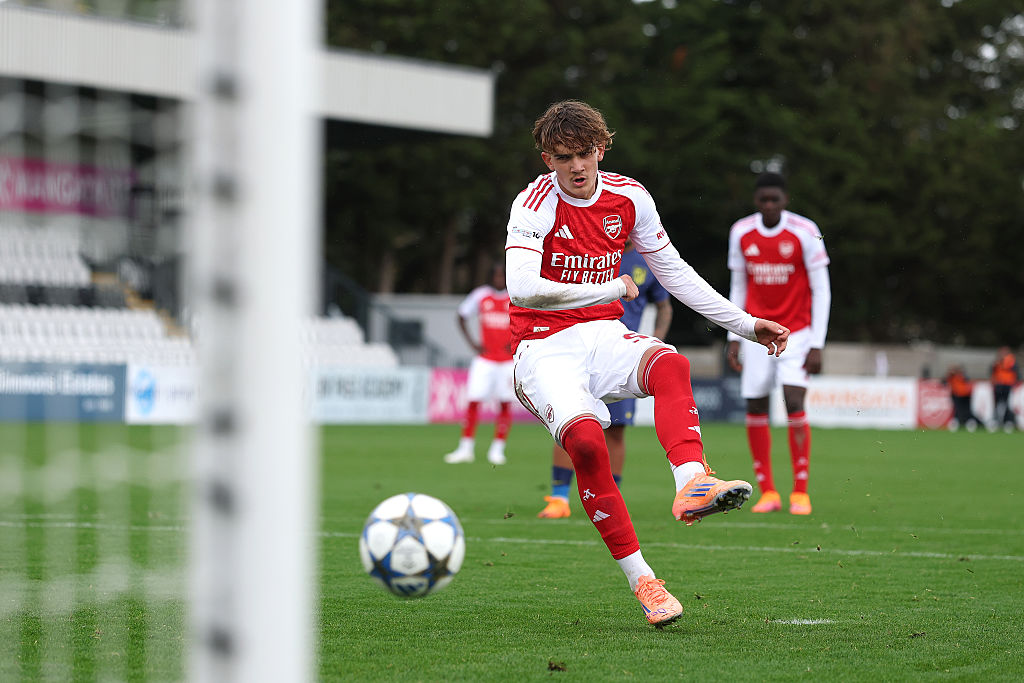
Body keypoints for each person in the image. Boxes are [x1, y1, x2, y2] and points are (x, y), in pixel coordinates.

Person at [506, 100, 790, 626]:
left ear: (602, 147)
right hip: (543, 347)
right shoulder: (534, 203)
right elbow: (521, 287)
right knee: (588, 444)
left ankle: (691, 482)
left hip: (603, 335)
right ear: (548, 158)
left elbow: (675, 273)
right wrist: (604, 285)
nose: (577, 167)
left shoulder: (630, 197)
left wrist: (746, 325)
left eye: (586, 153)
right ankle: (645, 582)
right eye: (564, 156)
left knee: (672, 366)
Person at [538, 239, 673, 518]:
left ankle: (611, 498)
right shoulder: (588, 251)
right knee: (570, 424)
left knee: (616, 429)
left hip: (620, 359)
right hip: (578, 351)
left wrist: (656, 339)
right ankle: (559, 498)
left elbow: (664, 305)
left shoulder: (645, 262)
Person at [725, 172, 831, 517]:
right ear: (756, 201)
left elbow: (822, 289)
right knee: (755, 405)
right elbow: (738, 285)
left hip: (797, 332)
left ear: (785, 200)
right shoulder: (741, 232)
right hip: (757, 332)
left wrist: (817, 342)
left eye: (775, 199)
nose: (769, 205)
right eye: (763, 200)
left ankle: (800, 491)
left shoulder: (805, 231)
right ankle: (768, 491)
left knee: (794, 399)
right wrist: (734, 335)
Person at [443, 263, 515, 465]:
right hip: (484, 360)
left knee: (504, 403)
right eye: (496, 275)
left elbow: (530, 320)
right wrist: (473, 343)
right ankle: (465, 448)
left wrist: (516, 343)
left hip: (507, 362)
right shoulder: (481, 295)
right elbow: (461, 315)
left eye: (503, 276)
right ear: (491, 277)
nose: (499, 279)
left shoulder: (515, 296)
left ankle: (498, 449)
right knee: (474, 401)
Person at [989, 346, 1021, 433]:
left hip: (1007, 385)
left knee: (1007, 404)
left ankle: (1007, 422)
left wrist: (1015, 383)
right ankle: (995, 422)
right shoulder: (997, 362)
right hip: (999, 385)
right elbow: (992, 371)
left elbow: (1016, 372)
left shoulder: (1011, 361)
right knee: (997, 404)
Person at [944, 364, 982, 432]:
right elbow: (944, 382)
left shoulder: (962, 376)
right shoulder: (952, 376)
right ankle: (959, 423)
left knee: (967, 411)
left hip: (965, 396)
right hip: (957, 395)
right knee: (958, 410)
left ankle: (974, 423)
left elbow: (966, 381)